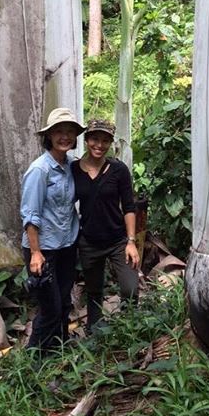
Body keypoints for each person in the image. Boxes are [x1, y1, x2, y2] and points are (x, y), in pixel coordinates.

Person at [20, 107, 85, 351]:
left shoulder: (71, 165)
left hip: (66, 245)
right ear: (49, 136)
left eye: (69, 132)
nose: (65, 136)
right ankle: (34, 359)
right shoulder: (40, 169)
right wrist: (36, 253)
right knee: (50, 307)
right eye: (59, 131)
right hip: (43, 249)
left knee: (64, 302)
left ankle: (59, 348)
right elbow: (30, 214)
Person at [72, 119, 140, 333]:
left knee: (130, 288)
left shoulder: (118, 169)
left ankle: (129, 330)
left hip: (118, 241)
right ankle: (95, 333)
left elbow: (129, 206)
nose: (99, 145)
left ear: (110, 143)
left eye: (104, 140)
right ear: (86, 140)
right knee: (94, 291)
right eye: (94, 139)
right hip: (89, 242)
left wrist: (131, 241)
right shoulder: (73, 169)